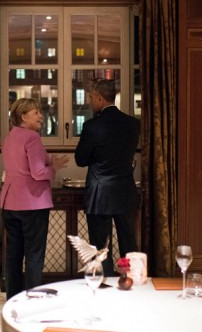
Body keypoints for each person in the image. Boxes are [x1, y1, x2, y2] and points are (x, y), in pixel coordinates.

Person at [1, 98, 69, 300]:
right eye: (36, 112)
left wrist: (50, 162)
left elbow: (24, 164)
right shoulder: (32, 138)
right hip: (32, 204)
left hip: (9, 202)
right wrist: (53, 169)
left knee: (13, 256)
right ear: (23, 116)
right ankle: (32, 300)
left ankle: (12, 300)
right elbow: (39, 172)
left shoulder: (9, 137)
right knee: (34, 256)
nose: (41, 116)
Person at [75, 79, 140, 275]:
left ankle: (105, 284)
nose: (90, 102)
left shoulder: (92, 126)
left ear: (100, 98)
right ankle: (132, 282)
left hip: (99, 193)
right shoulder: (132, 124)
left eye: (92, 98)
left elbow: (80, 159)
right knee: (129, 242)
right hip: (125, 190)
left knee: (101, 247)